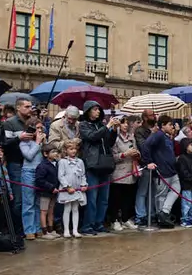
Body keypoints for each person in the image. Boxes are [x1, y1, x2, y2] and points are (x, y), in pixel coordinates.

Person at [1, 96, 39, 246]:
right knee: (19, 199)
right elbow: (5, 143)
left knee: (33, 198)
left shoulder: (33, 121)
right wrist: (20, 138)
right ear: (18, 108)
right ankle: (19, 230)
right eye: (27, 107)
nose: (30, 109)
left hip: (32, 163)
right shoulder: (10, 123)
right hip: (16, 163)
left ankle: (33, 227)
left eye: (31, 107)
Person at [78, 100, 118, 234]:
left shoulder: (101, 125)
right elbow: (92, 137)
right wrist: (107, 127)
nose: (98, 112)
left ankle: (99, 223)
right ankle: (87, 225)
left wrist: (114, 130)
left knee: (103, 198)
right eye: (95, 109)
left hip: (105, 164)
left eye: (98, 109)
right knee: (92, 198)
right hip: (93, 164)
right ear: (88, 111)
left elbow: (110, 143)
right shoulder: (83, 125)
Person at [142, 115, 179, 228]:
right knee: (161, 195)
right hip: (162, 170)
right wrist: (149, 162)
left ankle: (164, 212)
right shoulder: (158, 135)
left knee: (176, 189)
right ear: (163, 125)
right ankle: (161, 217)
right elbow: (146, 146)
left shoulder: (167, 137)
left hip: (171, 170)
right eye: (169, 124)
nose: (172, 126)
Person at [109, 116, 139, 231]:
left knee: (128, 198)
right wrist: (124, 154)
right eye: (123, 123)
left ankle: (126, 219)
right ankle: (114, 220)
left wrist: (136, 153)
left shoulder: (132, 137)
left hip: (130, 171)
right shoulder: (115, 138)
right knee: (116, 198)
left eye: (127, 123)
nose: (126, 125)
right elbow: (113, 156)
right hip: (118, 172)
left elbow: (135, 149)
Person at [57, 138, 87, 238]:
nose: (73, 151)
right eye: (70, 149)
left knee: (75, 209)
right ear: (65, 150)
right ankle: (66, 230)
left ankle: (75, 230)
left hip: (77, 189)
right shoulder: (62, 162)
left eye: (75, 149)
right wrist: (67, 187)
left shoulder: (80, 162)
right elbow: (61, 176)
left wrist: (83, 185)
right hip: (68, 190)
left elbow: (83, 175)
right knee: (67, 208)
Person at [34, 142, 61, 238]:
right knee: (44, 211)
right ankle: (45, 232)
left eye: (56, 152)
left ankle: (51, 229)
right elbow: (39, 180)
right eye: (53, 152)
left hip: (54, 193)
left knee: (51, 211)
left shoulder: (56, 164)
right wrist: (51, 187)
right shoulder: (42, 166)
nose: (56, 154)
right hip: (45, 193)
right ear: (46, 154)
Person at [176, 138, 192, 228]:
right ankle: (185, 219)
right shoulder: (182, 158)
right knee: (187, 203)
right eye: (190, 145)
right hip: (187, 185)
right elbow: (184, 173)